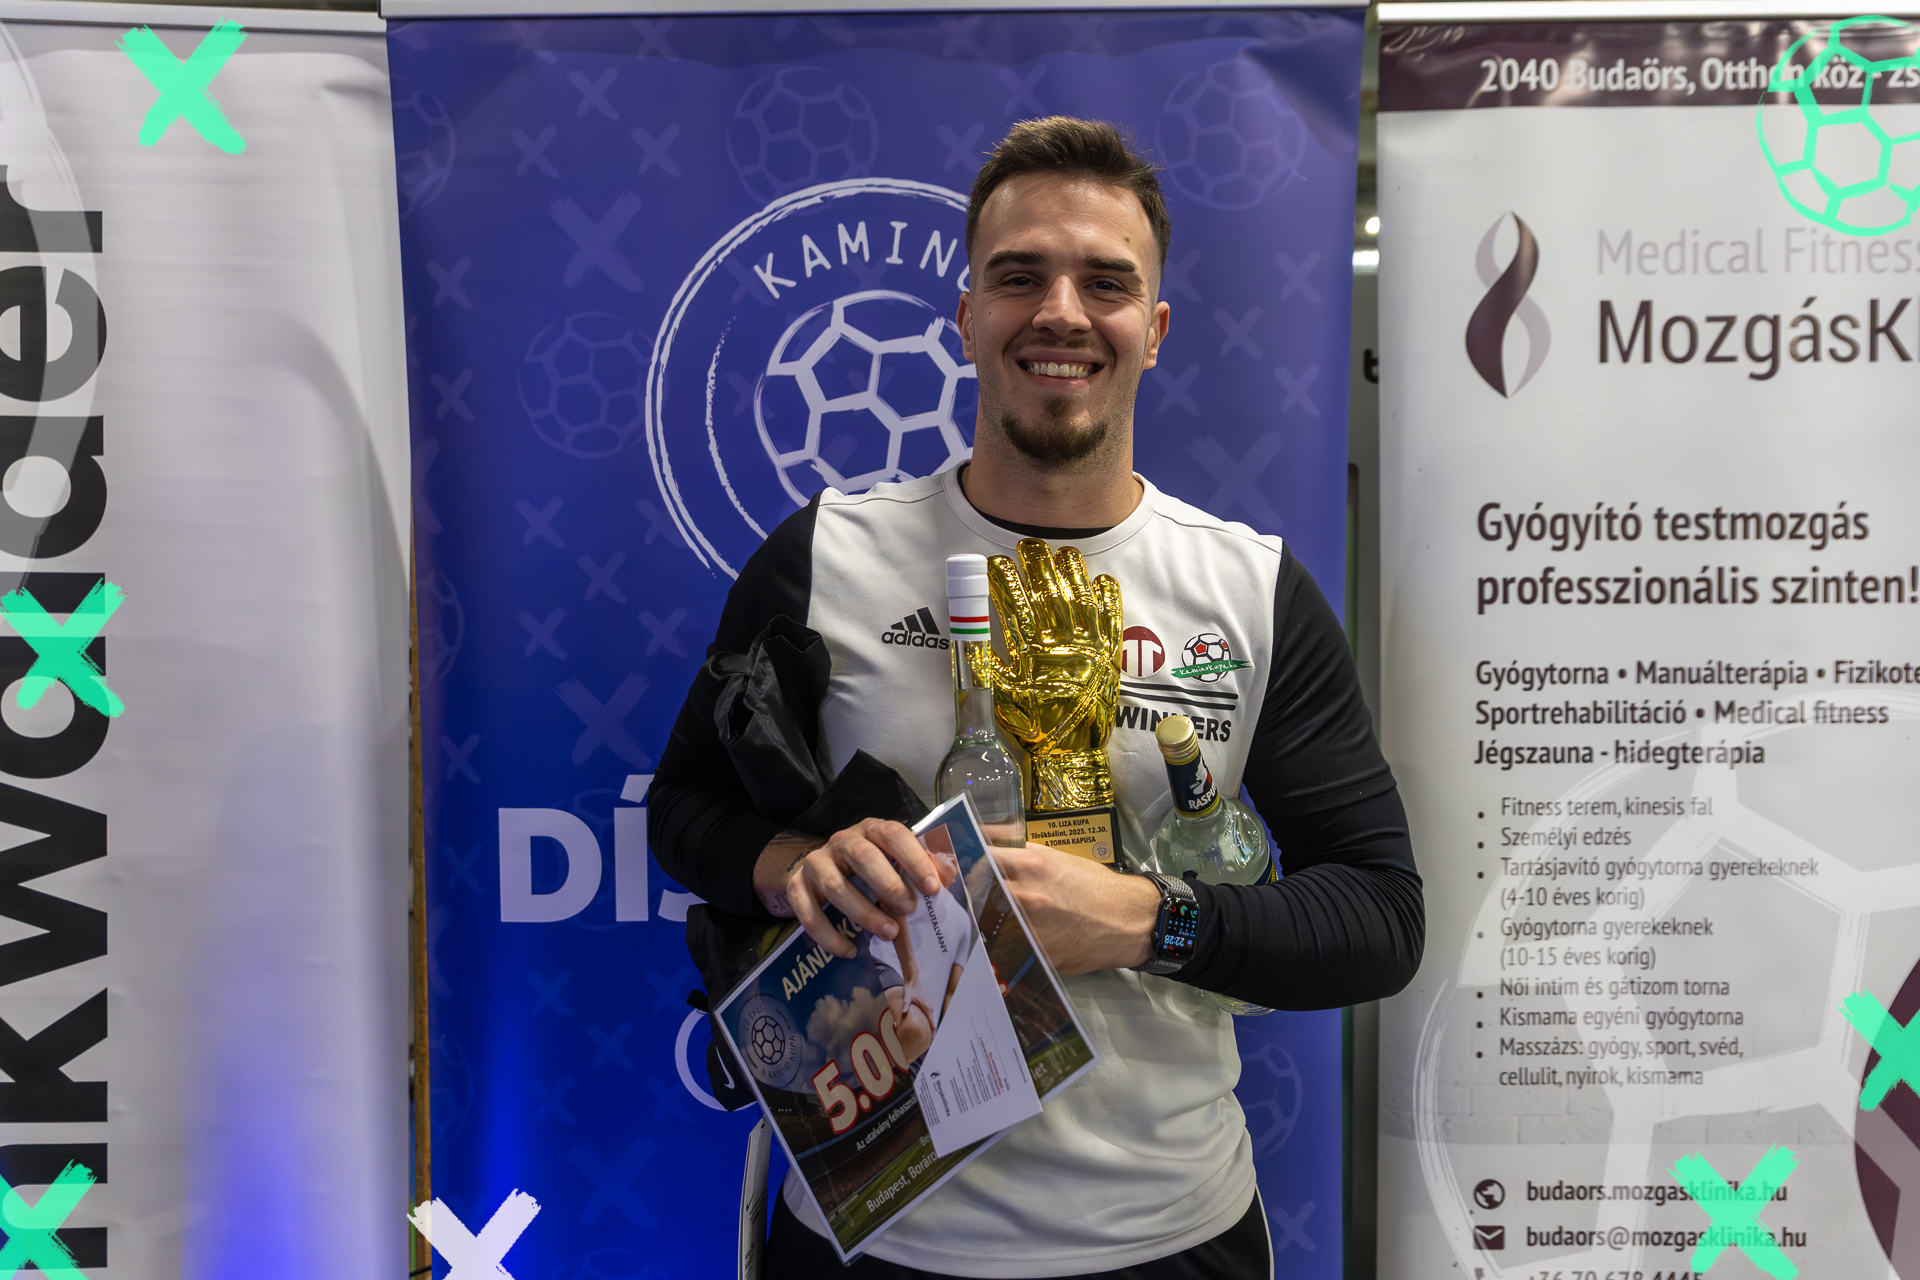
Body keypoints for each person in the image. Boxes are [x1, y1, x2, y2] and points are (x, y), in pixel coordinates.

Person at [650, 116, 1423, 1279]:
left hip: (1165, 1234)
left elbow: (1378, 916)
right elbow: (681, 810)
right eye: (1020, 277)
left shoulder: (1249, 588)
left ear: (1154, 329)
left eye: (1106, 282)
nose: (1061, 311)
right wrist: (794, 864)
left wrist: (1147, 920)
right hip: (875, 1226)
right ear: (966, 317)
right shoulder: (825, 556)